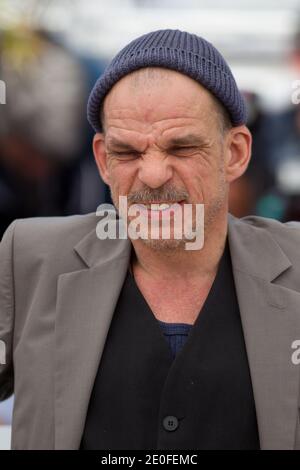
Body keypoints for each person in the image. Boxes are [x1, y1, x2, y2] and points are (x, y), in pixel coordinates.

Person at [0, 29, 300, 451]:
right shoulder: (31, 257)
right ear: (103, 160)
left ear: (235, 153)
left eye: (181, 148)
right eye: (128, 153)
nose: (154, 175)